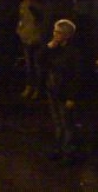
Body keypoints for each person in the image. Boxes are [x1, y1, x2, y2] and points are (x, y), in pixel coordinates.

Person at [39, 19, 82, 165]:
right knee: (58, 122)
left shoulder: (73, 53)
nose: (54, 34)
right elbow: (40, 61)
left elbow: (76, 76)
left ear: (66, 35)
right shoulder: (54, 48)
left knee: (67, 123)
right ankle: (59, 148)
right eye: (54, 31)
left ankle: (68, 152)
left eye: (58, 32)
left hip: (64, 92)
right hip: (53, 90)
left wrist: (72, 97)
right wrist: (48, 48)